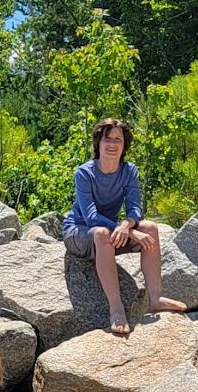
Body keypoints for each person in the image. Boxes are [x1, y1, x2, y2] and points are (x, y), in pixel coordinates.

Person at [62, 117, 185, 335]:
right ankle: (116, 309)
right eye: (107, 139)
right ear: (98, 143)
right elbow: (91, 217)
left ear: (125, 145)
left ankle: (155, 298)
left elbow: (135, 210)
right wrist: (126, 229)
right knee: (101, 233)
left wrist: (128, 225)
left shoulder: (129, 171)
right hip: (79, 233)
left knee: (149, 228)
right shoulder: (84, 173)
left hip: (110, 232)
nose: (112, 144)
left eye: (118, 139)